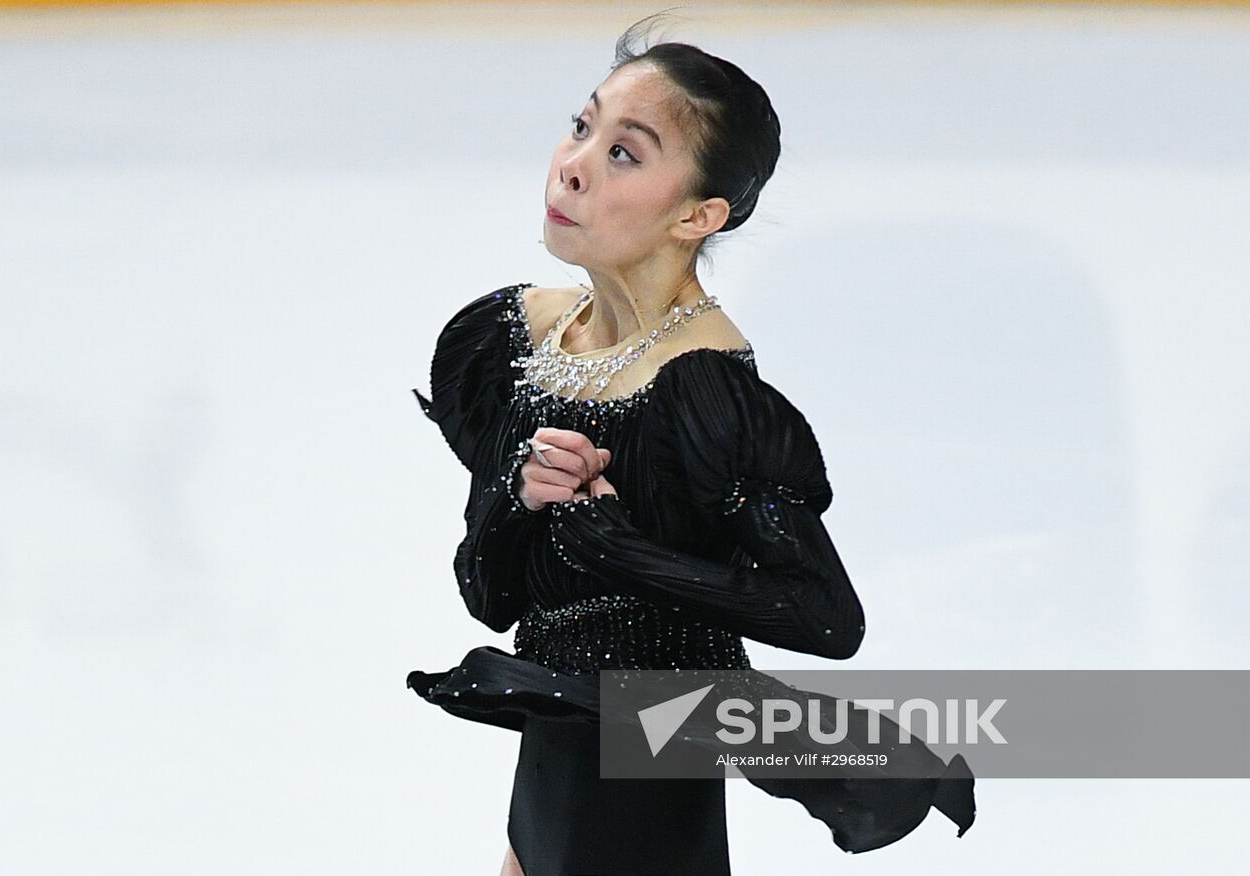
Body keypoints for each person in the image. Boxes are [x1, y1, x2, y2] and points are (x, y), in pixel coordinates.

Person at [407, 15, 975, 875]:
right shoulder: (513, 343)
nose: (573, 164)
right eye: (582, 125)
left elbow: (825, 617)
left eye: (624, 154)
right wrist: (521, 501)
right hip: (558, 753)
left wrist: (621, 547)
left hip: (653, 763)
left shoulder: (706, 396)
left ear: (698, 214)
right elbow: (488, 595)